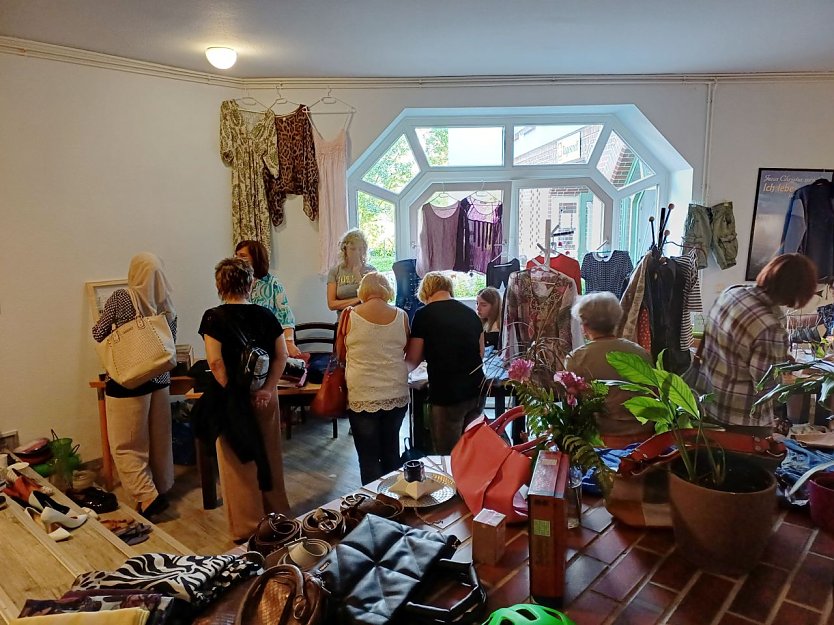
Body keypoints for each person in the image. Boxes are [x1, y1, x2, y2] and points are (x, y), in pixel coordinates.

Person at [196, 257, 291, 542]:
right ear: (250, 283)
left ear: (219, 285)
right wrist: (265, 389)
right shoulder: (266, 315)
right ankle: (277, 514)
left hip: (232, 400)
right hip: (266, 396)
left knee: (236, 461)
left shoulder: (213, 317)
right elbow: (282, 356)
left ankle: (248, 526)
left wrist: (235, 392)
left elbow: (215, 362)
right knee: (270, 453)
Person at [91, 252, 176, 518]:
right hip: (160, 380)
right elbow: (170, 341)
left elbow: (98, 333)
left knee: (127, 444)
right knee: (159, 440)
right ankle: (162, 488)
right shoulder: (167, 302)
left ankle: (148, 497)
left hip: (129, 381)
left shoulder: (121, 297)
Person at [697, 253, 818, 436]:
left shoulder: (732, 292)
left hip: (706, 401)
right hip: (740, 418)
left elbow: (731, 346)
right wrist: (784, 373)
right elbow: (769, 391)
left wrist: (779, 357)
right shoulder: (770, 327)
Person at [406, 272, 485, 454]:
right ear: (449, 288)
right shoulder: (471, 314)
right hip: (476, 390)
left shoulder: (423, 315)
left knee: (448, 454)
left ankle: (451, 483)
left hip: (447, 394)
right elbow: (480, 353)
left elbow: (412, 359)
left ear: (426, 291)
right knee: (471, 450)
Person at [344, 272, 410, 484]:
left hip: (363, 392)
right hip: (396, 391)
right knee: (391, 451)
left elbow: (339, 353)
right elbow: (406, 349)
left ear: (362, 291)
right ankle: (396, 505)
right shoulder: (402, 315)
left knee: (368, 456)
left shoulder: (349, 315)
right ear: (387, 290)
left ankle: (374, 507)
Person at [565, 292, 654, 446]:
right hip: (647, 439)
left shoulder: (576, 359)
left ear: (584, 326)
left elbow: (571, 408)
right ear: (616, 321)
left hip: (602, 442)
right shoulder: (641, 353)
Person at [234, 239, 302, 358]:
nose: (237, 260)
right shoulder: (235, 284)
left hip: (267, 345)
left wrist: (289, 342)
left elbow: (285, 315)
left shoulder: (272, 284)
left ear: (256, 258)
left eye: (243, 256)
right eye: (236, 255)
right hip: (241, 344)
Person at [327, 229, 376, 313]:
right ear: (345, 250)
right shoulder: (335, 271)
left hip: (366, 317)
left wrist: (357, 274)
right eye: (353, 249)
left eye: (360, 249)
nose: (357, 253)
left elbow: (373, 299)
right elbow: (331, 304)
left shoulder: (371, 270)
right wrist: (358, 299)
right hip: (344, 320)